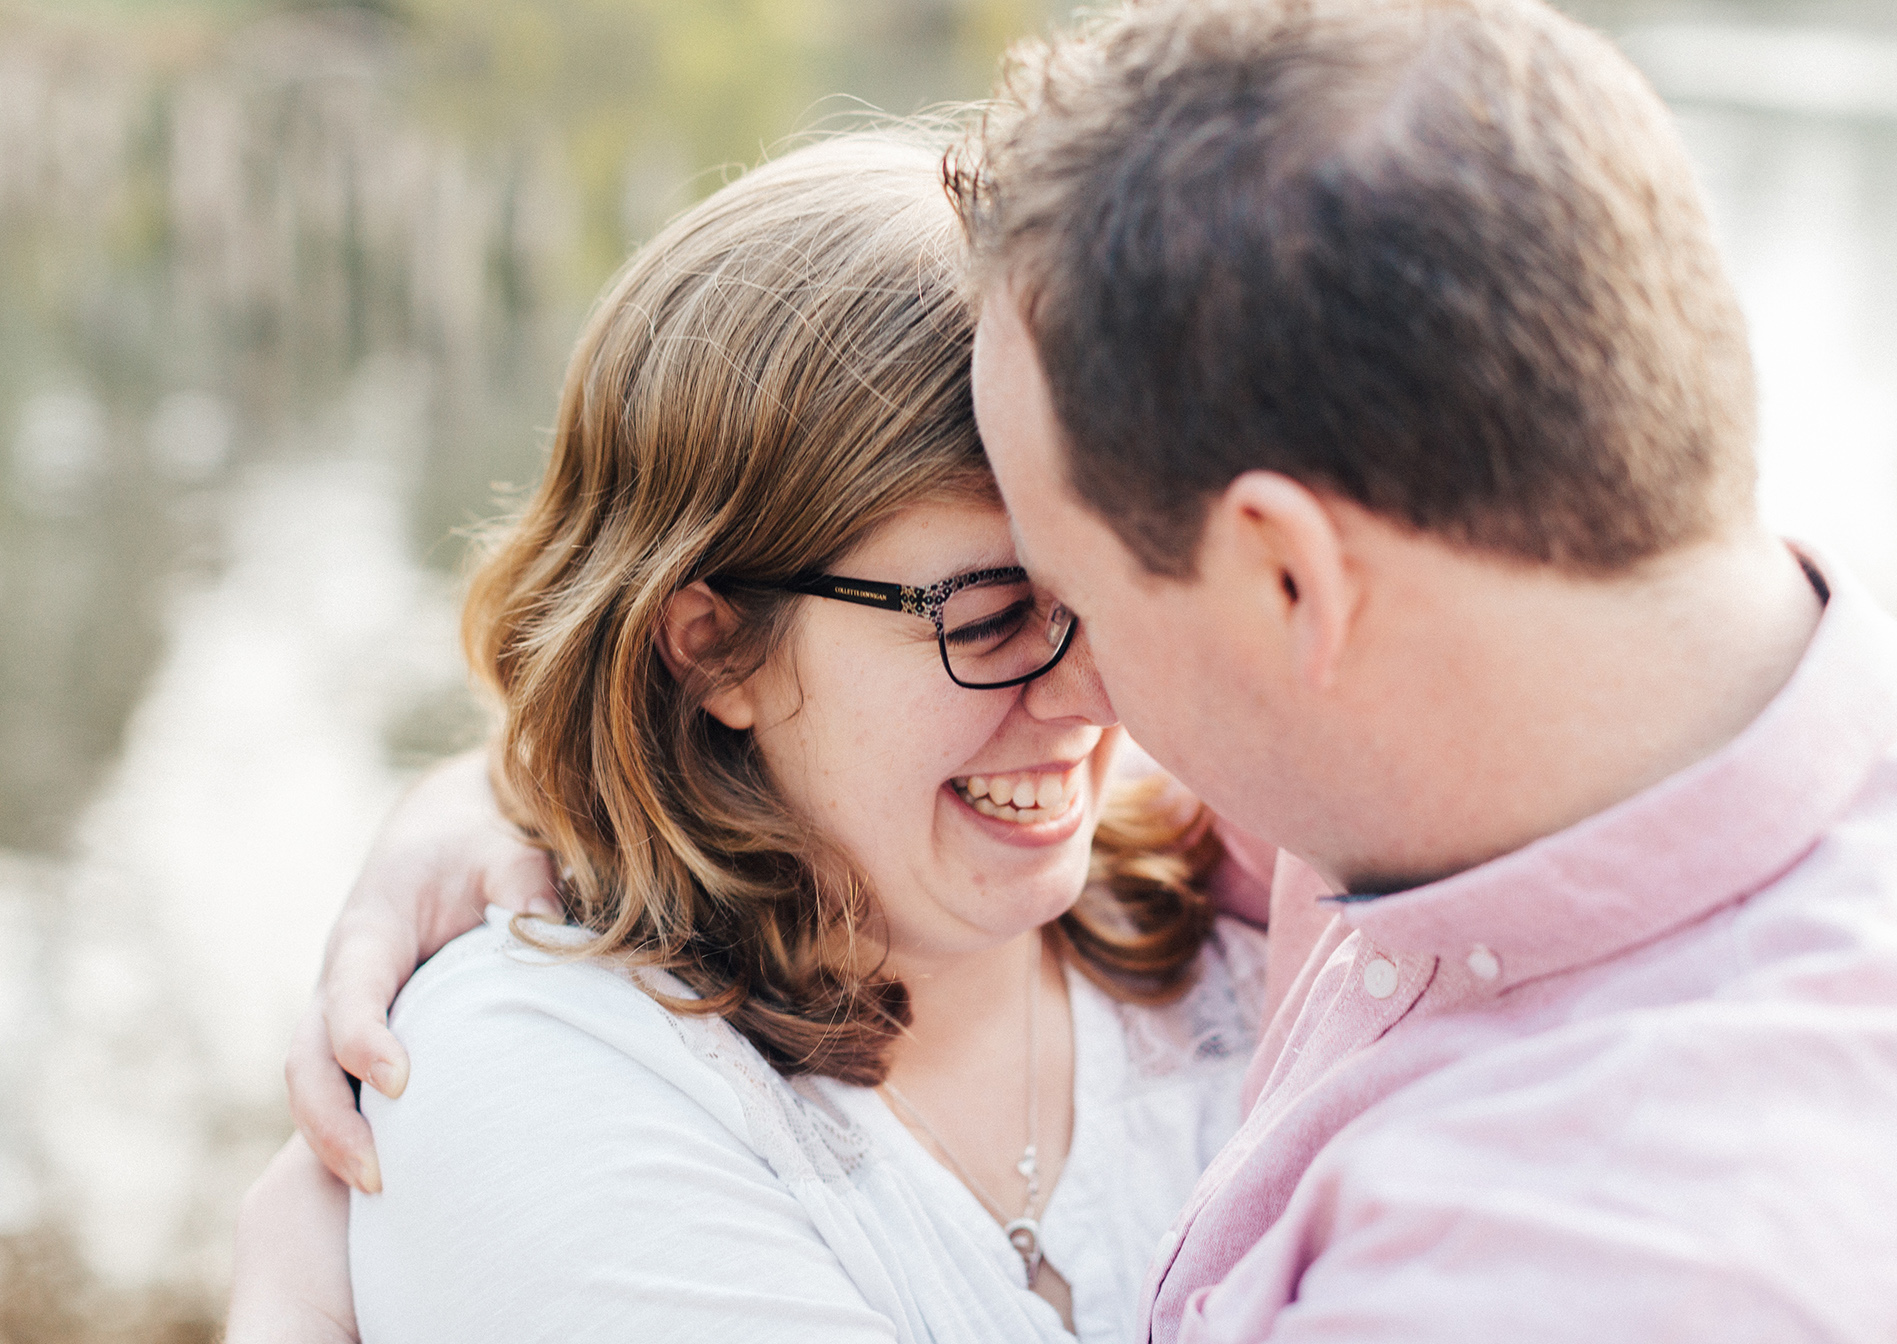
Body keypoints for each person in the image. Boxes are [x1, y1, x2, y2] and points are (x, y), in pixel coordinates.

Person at [267, 0, 1897, 1338]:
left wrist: (285, 1293)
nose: (1095, 695)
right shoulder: (1510, 789)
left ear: (1280, 579)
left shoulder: (1564, 1263)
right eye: (995, 605)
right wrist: (528, 780)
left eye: (1078, 583)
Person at [230, 132, 1284, 1344]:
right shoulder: (544, 1080)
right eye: (991, 618)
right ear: (715, 646)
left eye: (1121, 594)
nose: (1098, 693)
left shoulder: (1276, 919)